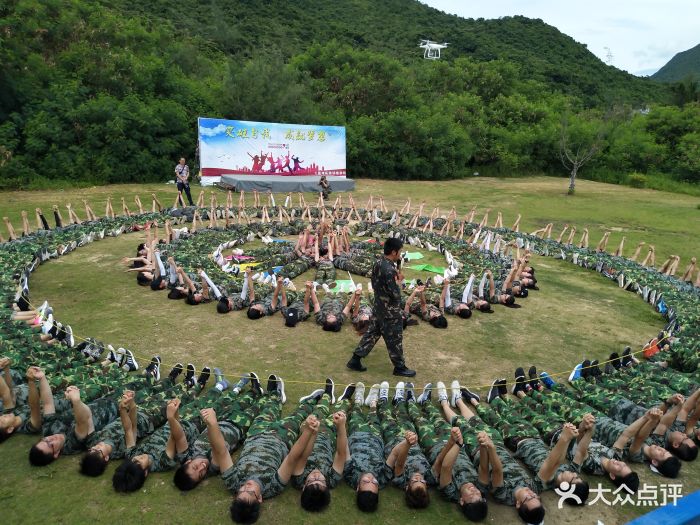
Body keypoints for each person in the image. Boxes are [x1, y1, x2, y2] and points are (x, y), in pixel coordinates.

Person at [346, 238, 416, 377]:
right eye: (400, 251)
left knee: (372, 333)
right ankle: (400, 367)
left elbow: (376, 283)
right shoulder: (389, 270)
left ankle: (355, 359)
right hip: (389, 310)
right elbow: (395, 294)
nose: (400, 254)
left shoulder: (378, 263)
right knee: (395, 339)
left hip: (379, 306)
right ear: (394, 251)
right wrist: (400, 282)